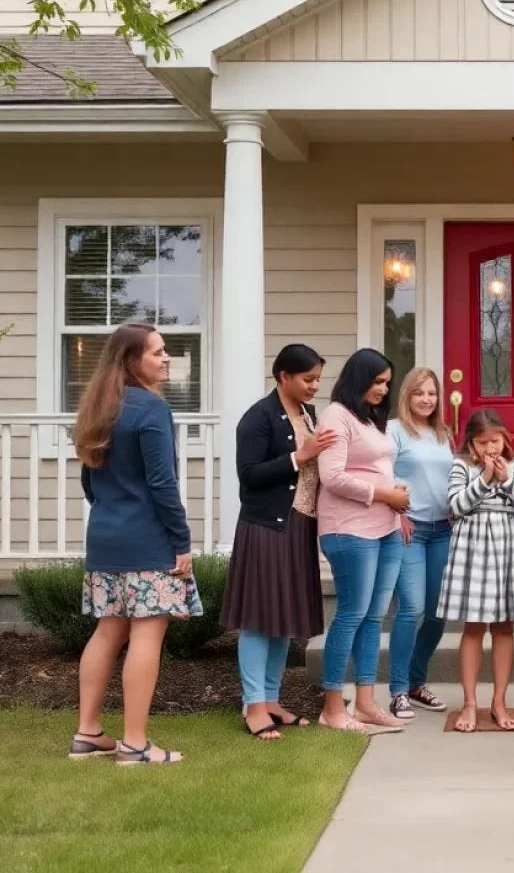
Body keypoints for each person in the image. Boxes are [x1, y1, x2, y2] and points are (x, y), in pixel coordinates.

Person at [73, 323, 200, 766]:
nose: (166, 358)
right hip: (147, 540)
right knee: (147, 633)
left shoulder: (99, 406)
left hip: (105, 536)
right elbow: (163, 482)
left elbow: (89, 479)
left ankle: (88, 734)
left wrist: (111, 508)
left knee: (108, 631)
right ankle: (135, 743)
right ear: (132, 360)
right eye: (158, 353)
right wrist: (182, 540)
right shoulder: (151, 409)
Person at [222, 344, 335, 740]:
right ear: (283, 377)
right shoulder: (258, 417)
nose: (315, 386)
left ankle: (271, 701)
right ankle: (253, 706)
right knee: (259, 619)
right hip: (266, 527)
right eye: (308, 379)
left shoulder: (308, 414)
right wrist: (299, 456)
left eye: (318, 378)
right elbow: (248, 474)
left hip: (299, 525)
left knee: (282, 619)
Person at [317, 348, 411, 734]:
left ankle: (367, 703)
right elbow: (332, 476)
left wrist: (398, 506)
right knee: (351, 615)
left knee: (374, 616)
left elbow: (380, 467)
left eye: (387, 382)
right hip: (348, 527)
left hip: (386, 525)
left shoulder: (374, 419)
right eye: (377, 382)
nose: (383, 389)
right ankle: (333, 708)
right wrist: (384, 496)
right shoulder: (337, 416)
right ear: (358, 379)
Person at [438, 409, 514, 732]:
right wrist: (484, 478)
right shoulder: (461, 466)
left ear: (504, 437)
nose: (490, 449)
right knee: (473, 626)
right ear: (471, 443)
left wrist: (505, 479)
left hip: (508, 545)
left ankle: (499, 700)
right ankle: (470, 703)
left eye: (495, 441)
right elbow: (456, 506)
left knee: (503, 626)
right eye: (483, 443)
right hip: (473, 546)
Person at [386, 367, 455, 719]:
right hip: (410, 528)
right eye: (419, 393)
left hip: (443, 529)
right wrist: (398, 513)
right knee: (411, 608)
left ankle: (416, 681)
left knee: (438, 612)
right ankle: (397, 690)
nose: (427, 400)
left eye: (431, 393)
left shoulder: (444, 433)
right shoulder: (394, 431)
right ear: (406, 396)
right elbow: (384, 476)